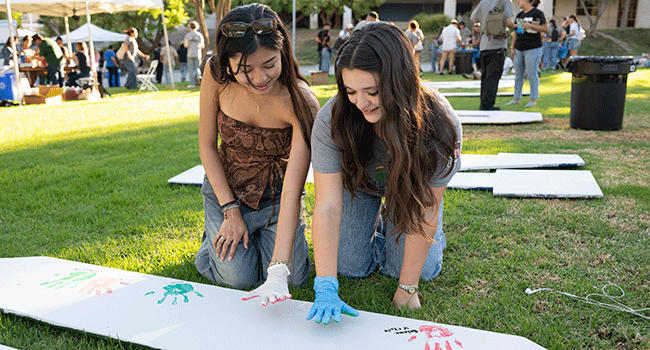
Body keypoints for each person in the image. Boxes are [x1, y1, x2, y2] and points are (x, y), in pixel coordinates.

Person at [308, 22, 462, 324]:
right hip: (361, 186)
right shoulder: (332, 119)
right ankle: (383, 225)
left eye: (373, 91)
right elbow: (326, 205)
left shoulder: (441, 126)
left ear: (399, 81)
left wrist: (407, 289)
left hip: (411, 192)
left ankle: (401, 227)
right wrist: (325, 284)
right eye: (351, 91)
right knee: (348, 266)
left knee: (422, 270)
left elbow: (426, 209)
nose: (361, 103)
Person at [196, 3, 320, 304]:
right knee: (239, 279)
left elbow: (293, 189)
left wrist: (278, 272)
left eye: (269, 64)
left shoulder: (302, 102)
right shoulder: (215, 74)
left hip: (277, 200)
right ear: (228, 61)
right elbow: (207, 146)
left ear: (283, 53)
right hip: (226, 193)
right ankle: (211, 241)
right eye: (245, 69)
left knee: (296, 277)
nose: (259, 78)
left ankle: (262, 243)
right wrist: (231, 210)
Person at [470, 0, 517, 110]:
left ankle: (483, 103)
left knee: (485, 76)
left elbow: (473, 18)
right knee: (493, 76)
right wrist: (517, 27)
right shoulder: (506, 2)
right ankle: (488, 105)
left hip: (484, 46)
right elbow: (509, 22)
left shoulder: (483, 2)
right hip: (498, 44)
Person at [506, 0, 547, 108]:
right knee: (518, 75)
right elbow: (515, 31)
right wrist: (512, 46)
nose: (518, 1)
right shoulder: (520, 15)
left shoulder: (538, 13)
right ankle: (516, 98)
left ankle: (533, 99)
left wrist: (531, 26)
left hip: (533, 48)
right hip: (519, 48)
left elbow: (545, 28)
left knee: (532, 74)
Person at [184, 20, 205, 88]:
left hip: (190, 54)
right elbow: (202, 45)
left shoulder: (187, 35)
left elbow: (186, 45)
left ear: (190, 27)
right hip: (197, 54)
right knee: (197, 67)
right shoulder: (199, 35)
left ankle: (192, 84)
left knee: (191, 69)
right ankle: (199, 75)